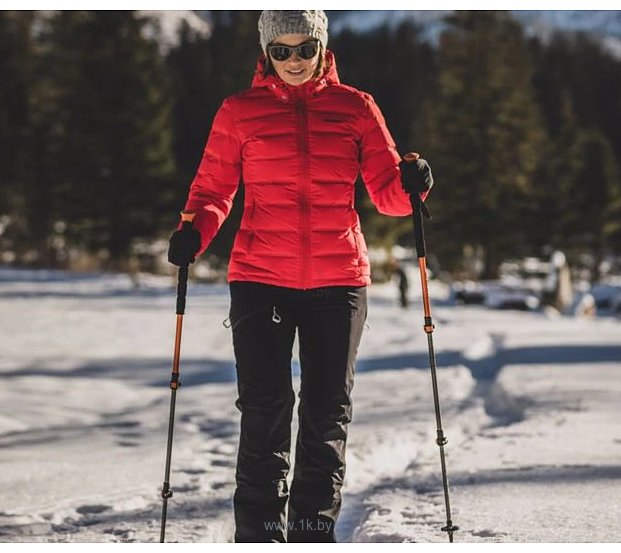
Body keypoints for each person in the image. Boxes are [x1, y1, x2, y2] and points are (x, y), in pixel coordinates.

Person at [167, 10, 434, 542]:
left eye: (304, 49)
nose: (293, 61)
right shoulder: (239, 112)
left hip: (339, 280)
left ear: (322, 48)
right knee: (265, 409)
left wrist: (414, 184)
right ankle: (260, 532)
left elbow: (386, 193)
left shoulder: (356, 107)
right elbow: (213, 192)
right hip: (261, 275)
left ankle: (313, 529)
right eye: (281, 51)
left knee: (326, 411)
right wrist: (193, 234)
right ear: (266, 53)